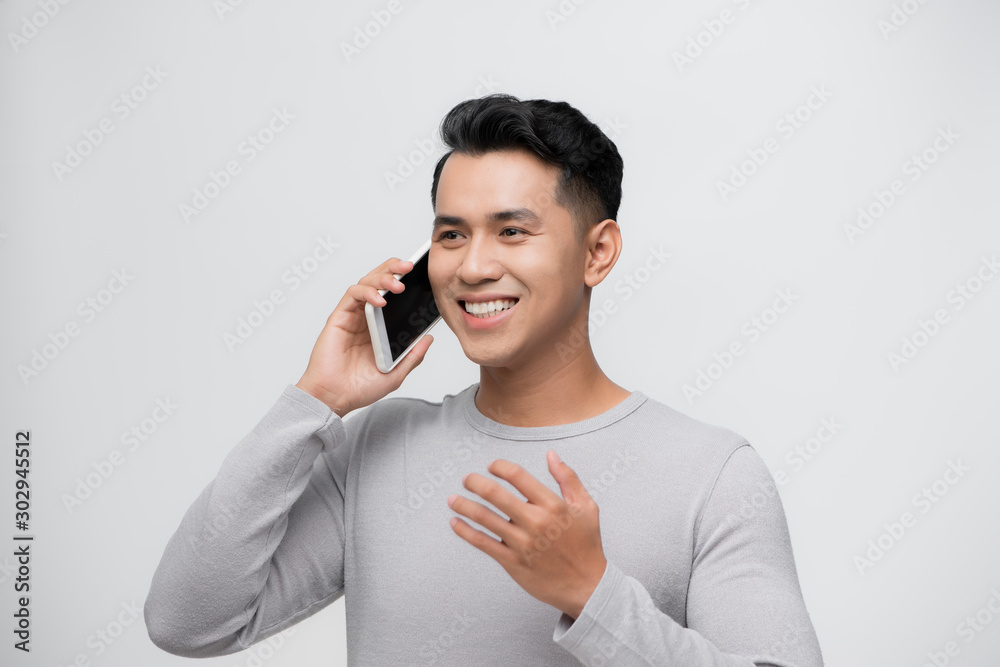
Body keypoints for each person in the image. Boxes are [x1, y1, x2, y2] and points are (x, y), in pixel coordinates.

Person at [144, 93, 824, 666]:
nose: (472, 268)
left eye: (511, 232)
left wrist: (594, 595)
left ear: (598, 252)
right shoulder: (380, 445)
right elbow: (187, 619)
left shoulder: (713, 473)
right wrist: (315, 401)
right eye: (450, 235)